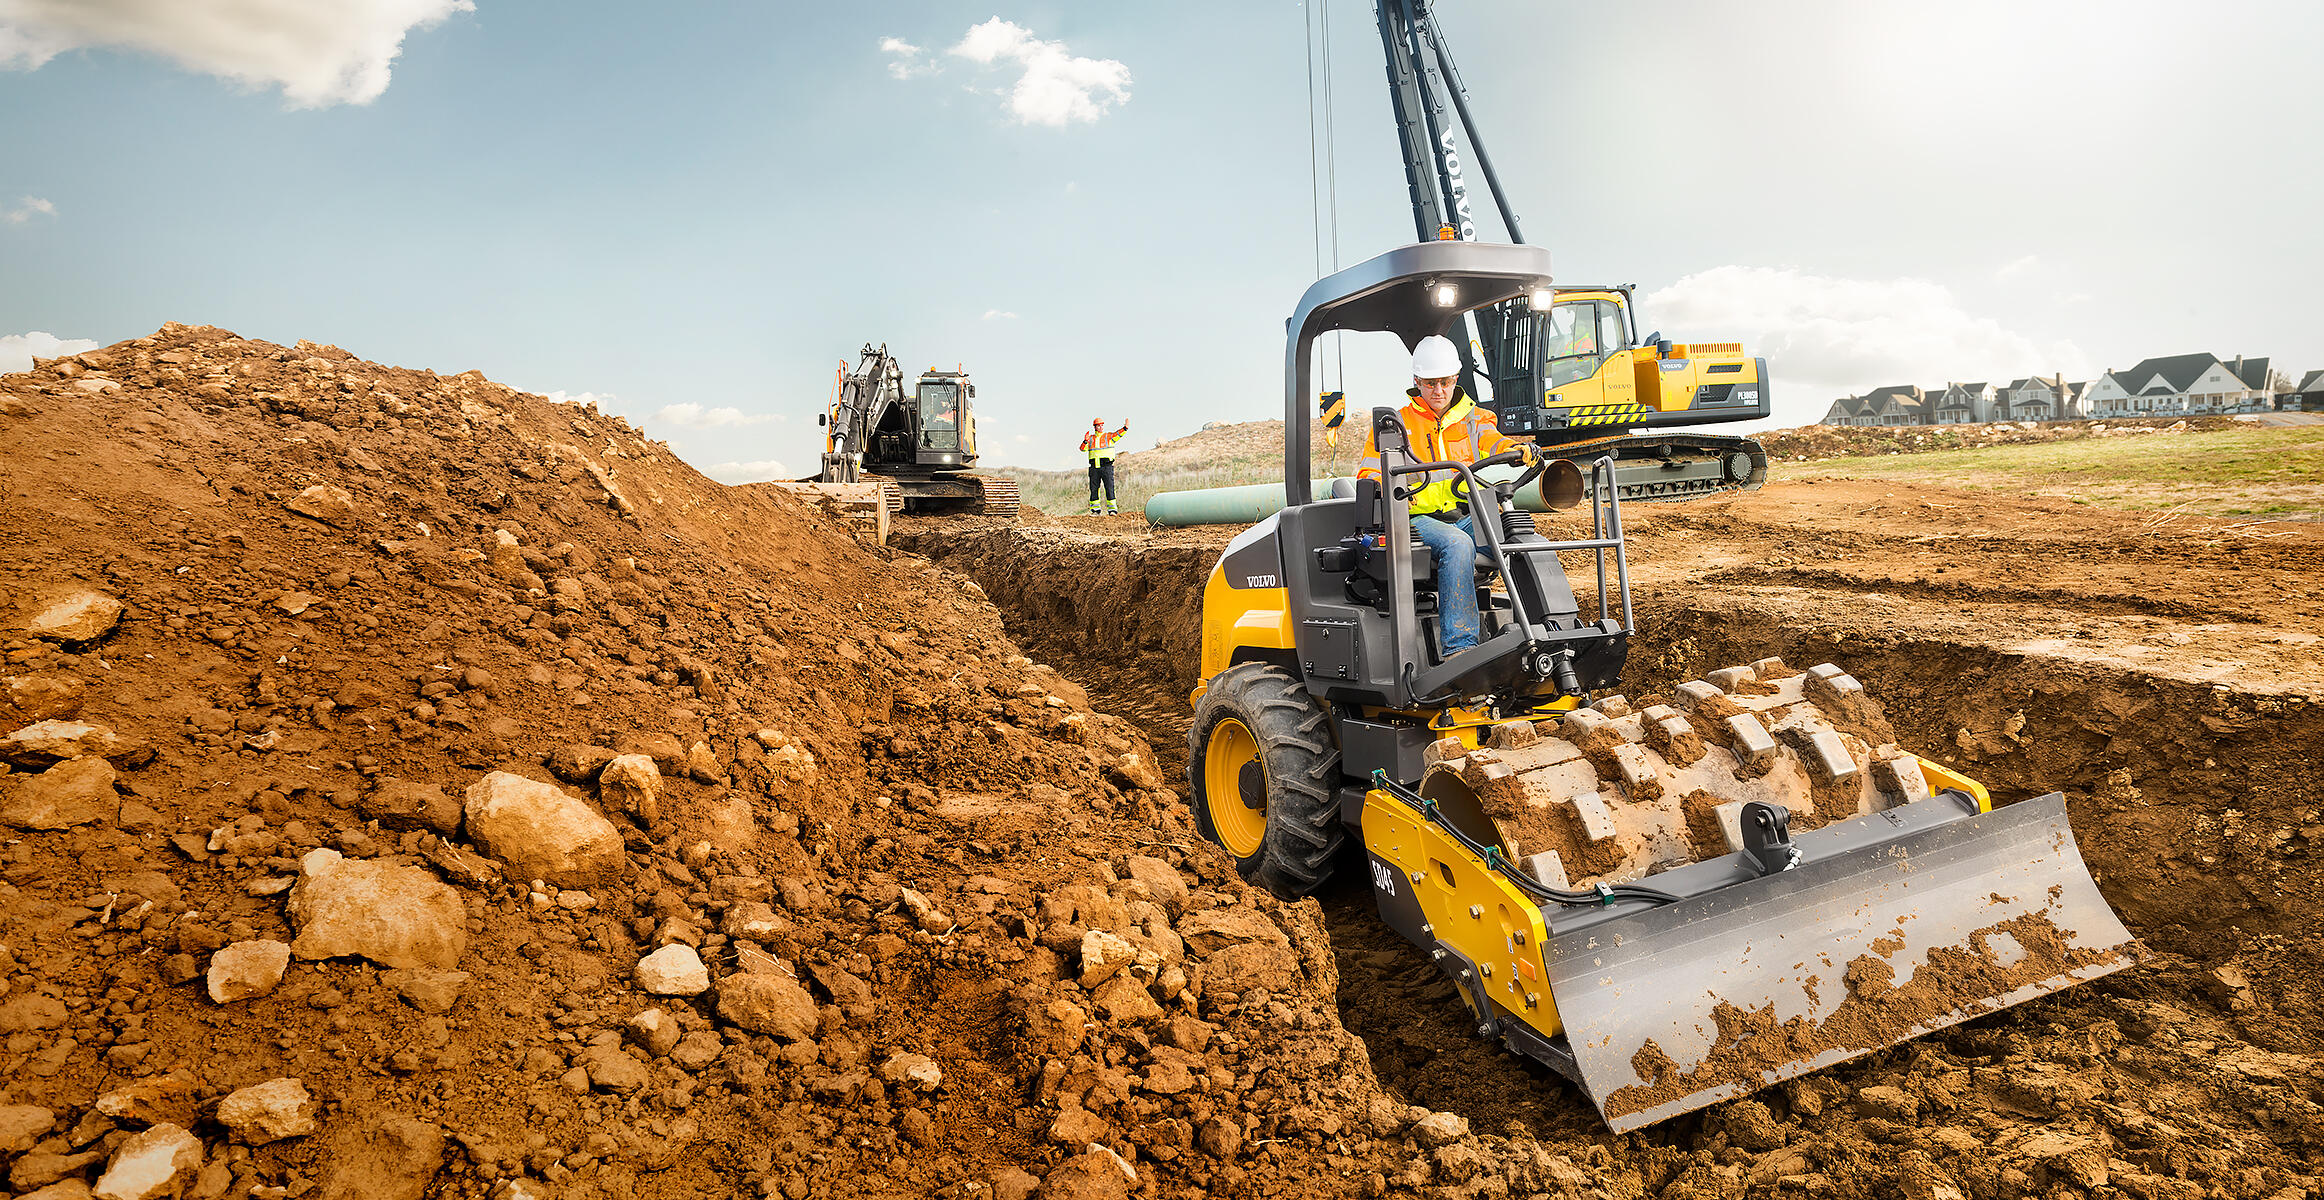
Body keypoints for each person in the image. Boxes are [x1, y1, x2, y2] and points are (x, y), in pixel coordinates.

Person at [1358, 334, 1524, 654]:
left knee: (1519, 534)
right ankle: (1460, 648)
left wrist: (1514, 449)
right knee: (1457, 544)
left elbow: (1493, 440)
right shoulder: (1398, 424)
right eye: (1431, 383)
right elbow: (1369, 470)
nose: (1439, 391)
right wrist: (1382, 485)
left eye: (1445, 382)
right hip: (1418, 520)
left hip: (1463, 515)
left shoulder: (1474, 418)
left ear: (1456, 379)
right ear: (1417, 381)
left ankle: (1542, 627)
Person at [1080, 417, 1128, 514]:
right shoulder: (1091, 439)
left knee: (1109, 487)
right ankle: (1095, 510)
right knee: (1094, 489)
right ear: (1095, 427)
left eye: (1102, 425)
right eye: (1099, 425)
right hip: (1094, 468)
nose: (1101, 427)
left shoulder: (1108, 436)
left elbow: (1118, 434)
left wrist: (1125, 428)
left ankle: (1112, 510)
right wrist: (1085, 441)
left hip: (1107, 466)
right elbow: (1082, 449)